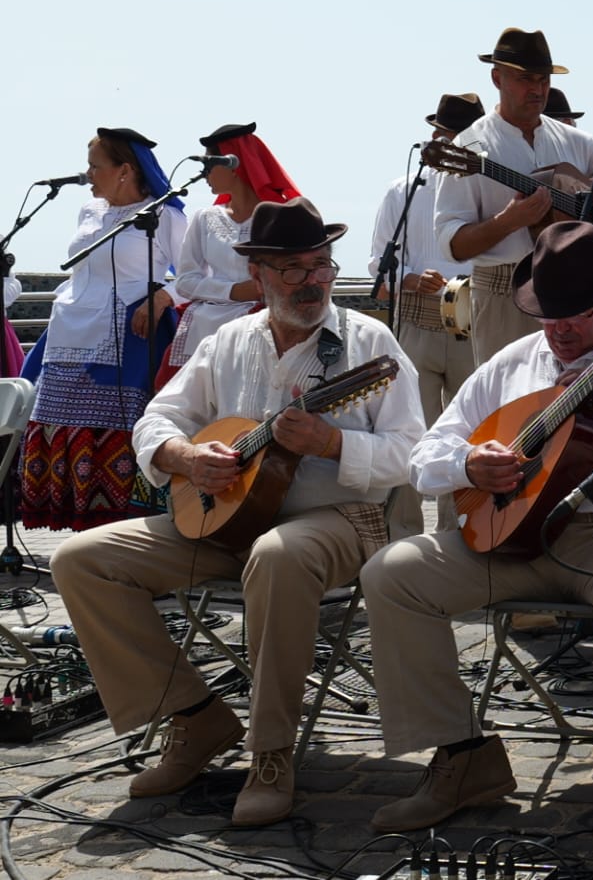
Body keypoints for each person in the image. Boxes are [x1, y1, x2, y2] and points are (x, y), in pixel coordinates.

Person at [361, 221, 593, 870]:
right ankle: (461, 757)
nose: (559, 329)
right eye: (547, 315)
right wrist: (472, 466)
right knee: (394, 574)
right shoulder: (512, 364)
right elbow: (426, 458)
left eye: (576, 314)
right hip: (519, 535)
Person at [51, 198, 423, 826]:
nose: (312, 281)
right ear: (259, 277)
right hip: (224, 520)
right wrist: (185, 457)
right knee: (81, 560)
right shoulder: (227, 340)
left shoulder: (368, 343)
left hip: (339, 521)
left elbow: (413, 453)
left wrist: (332, 442)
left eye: (321, 266)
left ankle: (271, 752)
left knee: (278, 556)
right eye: (292, 269)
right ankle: (195, 719)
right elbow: (159, 420)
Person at [432, 27, 593, 366]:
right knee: (510, 402)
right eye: (525, 79)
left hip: (575, 293)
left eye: (543, 80)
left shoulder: (570, 139)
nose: (537, 89)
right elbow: (450, 244)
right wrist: (508, 222)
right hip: (503, 292)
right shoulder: (468, 147)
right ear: (497, 78)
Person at [18, 128, 187, 529]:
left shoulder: (163, 215)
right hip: (69, 332)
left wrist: (160, 297)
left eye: (96, 166)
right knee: (61, 422)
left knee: (114, 428)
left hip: (129, 332)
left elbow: (195, 273)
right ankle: (78, 529)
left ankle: (123, 529)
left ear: (124, 170)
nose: (88, 174)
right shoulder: (88, 212)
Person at [368, 94, 483, 536]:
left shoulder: (486, 191)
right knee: (405, 430)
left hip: (473, 322)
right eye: (446, 136)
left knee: (468, 434)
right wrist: (413, 280)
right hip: (415, 322)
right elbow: (379, 268)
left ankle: (461, 535)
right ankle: (403, 538)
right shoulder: (403, 190)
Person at [162, 122, 303, 387]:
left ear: (232, 164)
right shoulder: (205, 218)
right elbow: (184, 281)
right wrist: (234, 291)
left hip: (265, 323)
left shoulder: (280, 217)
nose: (204, 174)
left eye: (209, 165)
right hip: (206, 324)